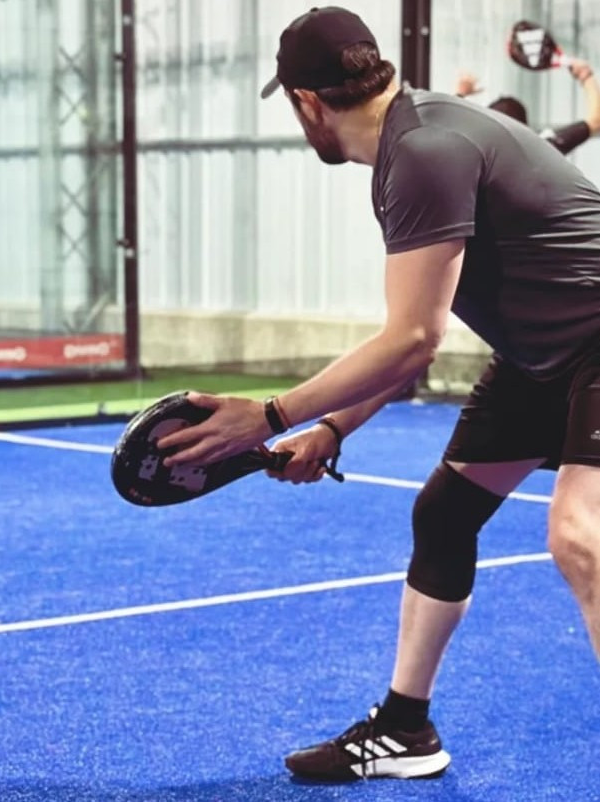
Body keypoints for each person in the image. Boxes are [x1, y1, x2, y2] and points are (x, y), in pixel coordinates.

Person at [157, 4, 600, 783]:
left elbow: (412, 341)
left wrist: (268, 416)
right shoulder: (416, 138)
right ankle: (404, 729)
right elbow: (412, 337)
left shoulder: (424, 152)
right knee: (445, 515)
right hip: (543, 357)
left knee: (578, 535)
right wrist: (332, 429)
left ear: (305, 103)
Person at [454, 61, 600, 154]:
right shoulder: (539, 150)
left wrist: (459, 95)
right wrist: (585, 75)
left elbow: (443, 126)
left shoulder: (471, 155)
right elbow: (596, 121)